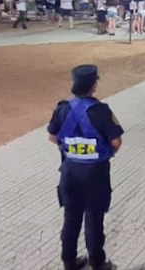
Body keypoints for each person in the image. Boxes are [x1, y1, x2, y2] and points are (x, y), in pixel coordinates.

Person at [47, 65, 123, 270]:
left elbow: (52, 137)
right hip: (95, 174)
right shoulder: (101, 111)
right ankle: (97, 262)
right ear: (94, 85)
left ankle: (69, 261)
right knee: (93, 219)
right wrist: (101, 154)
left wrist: (73, 151)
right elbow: (116, 142)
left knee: (71, 218)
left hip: (70, 172)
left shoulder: (63, 108)